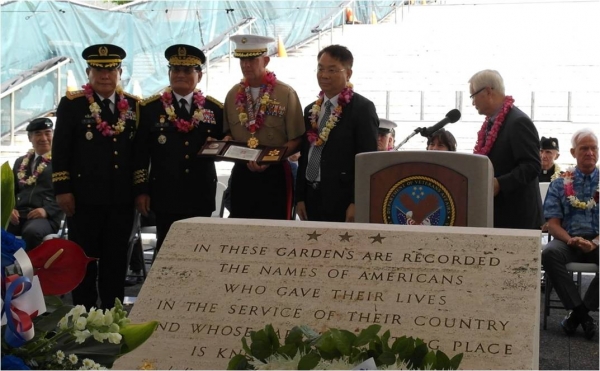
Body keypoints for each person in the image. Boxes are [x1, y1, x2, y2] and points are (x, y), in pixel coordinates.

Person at [52, 44, 139, 310]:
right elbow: (61, 149)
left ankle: (112, 315)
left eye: (111, 69)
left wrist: (140, 190)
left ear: (120, 72)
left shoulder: (134, 106)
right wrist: (62, 189)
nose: (105, 75)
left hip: (121, 200)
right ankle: (83, 315)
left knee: (115, 260)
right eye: (99, 70)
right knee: (84, 260)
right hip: (84, 199)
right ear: (88, 72)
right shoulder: (73, 104)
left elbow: (138, 154)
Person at [133, 44, 223, 260]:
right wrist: (141, 190)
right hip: (166, 194)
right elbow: (139, 154)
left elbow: (225, 143)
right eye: (176, 70)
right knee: (166, 251)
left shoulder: (214, 109)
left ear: (199, 75)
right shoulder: (150, 108)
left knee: (199, 251)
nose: (180, 75)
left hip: (200, 192)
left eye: (187, 70)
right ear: (169, 73)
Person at [223, 34, 305, 220]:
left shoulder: (285, 94)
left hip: (275, 173)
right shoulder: (232, 95)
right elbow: (227, 132)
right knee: (240, 230)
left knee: (276, 232)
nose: (246, 65)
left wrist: (270, 159)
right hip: (242, 172)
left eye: (252, 59)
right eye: (242, 59)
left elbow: (297, 139)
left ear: (266, 60)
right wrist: (226, 141)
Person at [296, 44, 379, 222]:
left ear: (348, 74)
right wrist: (300, 197)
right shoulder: (311, 110)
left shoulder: (362, 109)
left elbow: (368, 161)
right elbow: (305, 156)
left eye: (332, 70)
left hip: (342, 200)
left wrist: (357, 202)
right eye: (320, 68)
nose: (324, 75)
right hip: (311, 196)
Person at [541, 128, 598, 340]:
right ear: (573, 153)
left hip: (598, 241)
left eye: (594, 148)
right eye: (584, 148)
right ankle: (583, 315)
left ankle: (578, 315)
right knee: (549, 254)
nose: (590, 153)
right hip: (568, 238)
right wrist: (570, 239)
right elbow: (553, 224)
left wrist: (593, 243)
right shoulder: (559, 183)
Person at [469, 69, 542, 229]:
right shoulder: (492, 123)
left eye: (473, 95)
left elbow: (532, 166)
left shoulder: (518, 122)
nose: (473, 102)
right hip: (497, 214)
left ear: (488, 91)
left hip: (517, 218)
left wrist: (499, 183)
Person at [7, 117, 63, 250]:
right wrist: (9, 209)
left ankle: (30, 268)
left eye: (47, 132)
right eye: (38, 134)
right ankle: (7, 267)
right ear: (29, 138)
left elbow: (67, 192)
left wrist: (47, 210)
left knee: (32, 232)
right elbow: (11, 191)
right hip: (19, 214)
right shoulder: (20, 162)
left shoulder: (61, 161)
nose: (43, 138)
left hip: (46, 217)